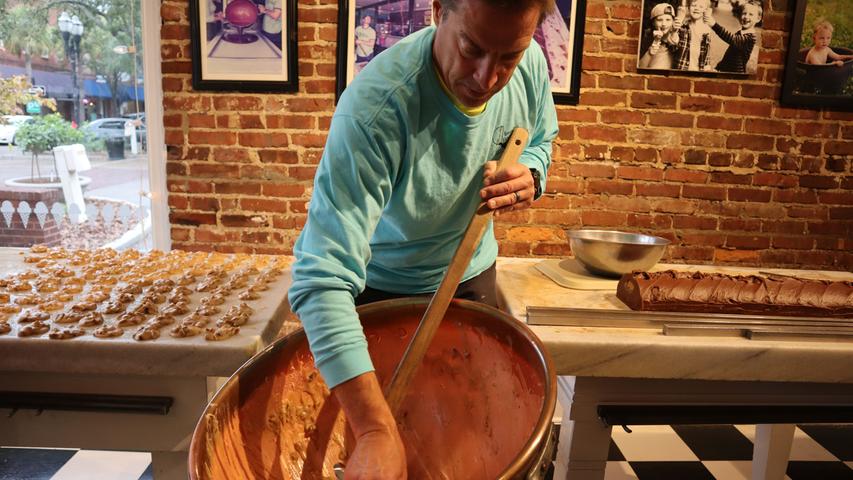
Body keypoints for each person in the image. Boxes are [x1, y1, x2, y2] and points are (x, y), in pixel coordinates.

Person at [288, 0, 559, 476]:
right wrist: (373, 430)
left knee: (463, 437)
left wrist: (532, 173)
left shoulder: (528, 61)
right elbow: (322, 278)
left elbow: (541, 139)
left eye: (507, 58)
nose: (486, 78)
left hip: (472, 278)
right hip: (380, 291)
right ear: (438, 11)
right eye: (471, 48)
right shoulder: (376, 109)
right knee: (380, 436)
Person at [708, 0, 762, 73]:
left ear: (758, 19)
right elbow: (729, 55)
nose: (746, 16)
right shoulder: (740, 33)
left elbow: (731, 39)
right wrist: (718, 67)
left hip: (736, 73)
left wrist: (714, 25)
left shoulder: (750, 37)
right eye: (744, 13)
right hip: (727, 71)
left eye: (751, 14)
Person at [673, 0, 714, 71]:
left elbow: (707, 51)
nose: (696, 8)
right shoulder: (683, 26)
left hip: (698, 70)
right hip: (681, 67)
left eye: (701, 6)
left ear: (705, 10)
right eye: (693, 5)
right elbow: (673, 47)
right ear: (688, 8)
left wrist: (707, 65)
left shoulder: (707, 30)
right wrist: (674, 30)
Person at [638, 3, 680, 69]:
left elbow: (674, 43)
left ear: (673, 22)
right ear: (653, 23)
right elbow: (640, 66)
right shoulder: (648, 39)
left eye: (668, 20)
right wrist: (650, 52)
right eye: (659, 20)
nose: (664, 24)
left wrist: (674, 32)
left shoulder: (676, 37)